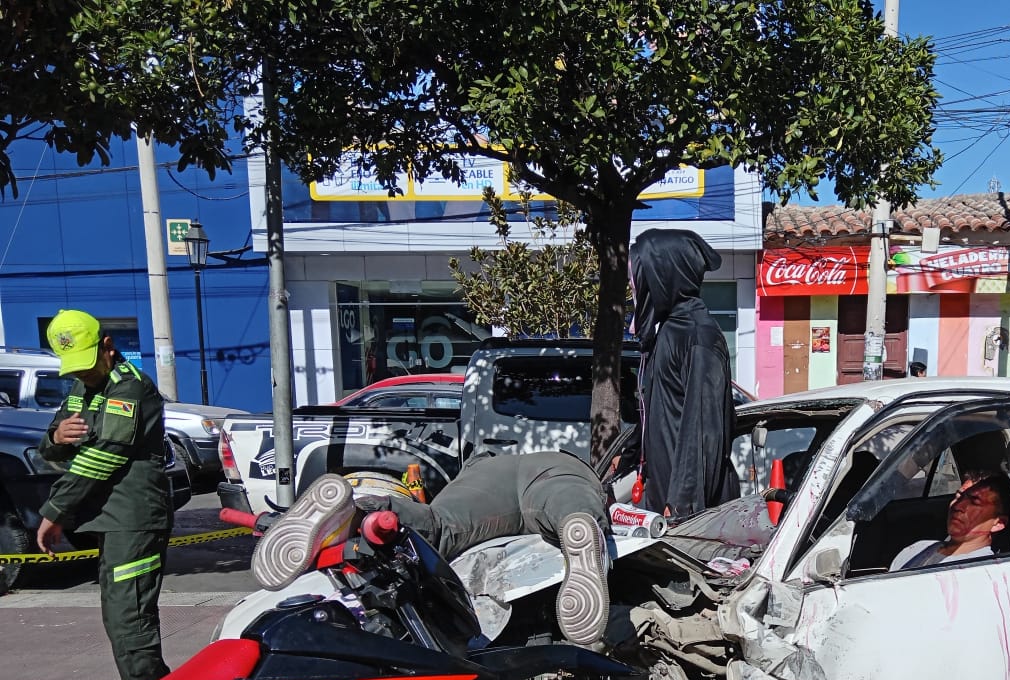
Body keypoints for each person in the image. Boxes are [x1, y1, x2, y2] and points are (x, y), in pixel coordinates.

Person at [253, 451, 612, 648]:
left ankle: (360, 510)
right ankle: (576, 522)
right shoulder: (576, 465)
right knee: (566, 500)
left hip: (490, 474)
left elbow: (436, 523)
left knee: (438, 524)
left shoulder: (480, 464)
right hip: (562, 470)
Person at [37, 310, 172, 680]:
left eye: (86, 363)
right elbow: (55, 448)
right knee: (120, 617)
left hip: (134, 518)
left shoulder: (130, 388)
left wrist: (54, 512)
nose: (81, 374)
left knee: (131, 619)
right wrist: (58, 436)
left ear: (108, 347)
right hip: (108, 519)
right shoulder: (83, 389)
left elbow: (103, 456)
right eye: (74, 367)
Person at [625, 228, 740, 519]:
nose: (634, 288)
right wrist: (625, 455)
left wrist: (680, 507)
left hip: (685, 518)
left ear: (664, 277)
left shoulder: (698, 337)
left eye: (638, 279)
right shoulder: (669, 331)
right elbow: (657, 413)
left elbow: (701, 431)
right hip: (660, 505)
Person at [889, 471, 1010, 571]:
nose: (957, 506)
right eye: (958, 497)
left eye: (974, 502)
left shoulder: (983, 570)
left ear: (998, 523)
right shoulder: (918, 548)